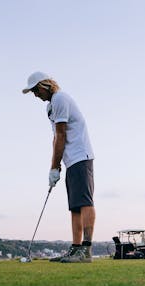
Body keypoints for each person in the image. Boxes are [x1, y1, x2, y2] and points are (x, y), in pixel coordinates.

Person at [23, 71, 96, 263]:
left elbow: (61, 135)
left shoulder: (60, 99)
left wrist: (54, 167)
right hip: (71, 160)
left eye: (36, 90)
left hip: (81, 156)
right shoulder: (51, 105)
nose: (35, 95)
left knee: (85, 202)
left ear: (44, 85)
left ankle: (86, 251)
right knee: (75, 206)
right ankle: (76, 248)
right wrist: (56, 165)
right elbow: (56, 138)